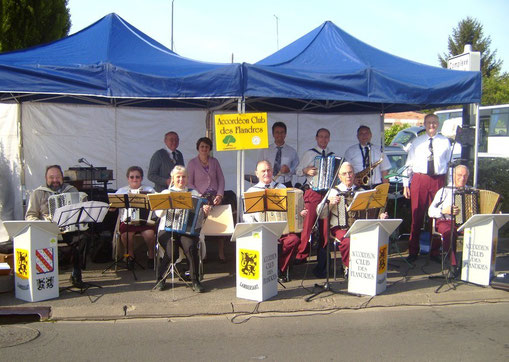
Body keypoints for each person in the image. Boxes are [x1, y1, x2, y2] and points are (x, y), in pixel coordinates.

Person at [318, 162, 388, 278]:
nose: (348, 176)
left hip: (359, 227)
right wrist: (329, 203)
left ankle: (367, 269)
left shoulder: (361, 191)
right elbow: (319, 213)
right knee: (349, 241)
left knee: (373, 237)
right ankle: (348, 267)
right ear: (339, 177)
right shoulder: (334, 191)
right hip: (340, 227)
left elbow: (374, 208)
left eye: (350, 173)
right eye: (344, 174)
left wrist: (380, 215)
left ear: (354, 174)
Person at [243, 160, 307, 282]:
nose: (266, 173)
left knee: (294, 240)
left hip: (282, 230)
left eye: (269, 170)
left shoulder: (282, 188)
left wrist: (299, 213)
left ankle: (280, 270)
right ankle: (269, 271)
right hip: (263, 230)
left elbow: (292, 209)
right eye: (263, 171)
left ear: (272, 171)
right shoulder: (251, 192)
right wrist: (256, 226)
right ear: (257, 173)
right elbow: (246, 215)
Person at [25, 165, 85, 287]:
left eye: (57, 177)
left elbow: (80, 211)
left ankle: (76, 273)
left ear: (62, 177)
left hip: (68, 230)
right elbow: (30, 215)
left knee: (83, 237)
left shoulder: (71, 190)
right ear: (46, 178)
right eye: (51, 177)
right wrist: (43, 223)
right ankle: (46, 277)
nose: (55, 180)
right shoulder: (38, 193)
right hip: (47, 231)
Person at [403, 114, 452, 263]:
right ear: (424, 124)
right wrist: (406, 184)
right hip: (420, 179)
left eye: (434, 123)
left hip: (438, 179)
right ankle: (413, 250)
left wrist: (449, 186)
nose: (432, 125)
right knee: (416, 215)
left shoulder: (445, 142)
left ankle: (435, 251)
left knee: (437, 216)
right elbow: (408, 164)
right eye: (429, 123)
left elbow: (450, 164)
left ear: (438, 124)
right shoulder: (417, 141)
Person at [155, 165, 211, 292]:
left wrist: (206, 212)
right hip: (167, 229)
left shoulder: (193, 193)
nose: (181, 179)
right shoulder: (166, 193)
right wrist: (166, 203)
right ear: (173, 179)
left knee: (191, 248)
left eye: (183, 177)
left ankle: (195, 281)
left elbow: (200, 217)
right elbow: (158, 215)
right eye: (178, 177)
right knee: (171, 251)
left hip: (187, 230)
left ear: (187, 178)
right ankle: (160, 279)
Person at [294, 128, 334, 264]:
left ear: (329, 139)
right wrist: (306, 170)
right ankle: (302, 255)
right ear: (316, 138)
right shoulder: (310, 153)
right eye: (321, 137)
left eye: (326, 137)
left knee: (324, 227)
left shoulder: (332, 155)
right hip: (312, 192)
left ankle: (322, 257)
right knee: (307, 225)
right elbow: (297, 171)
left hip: (326, 193)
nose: (323, 139)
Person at [187, 137, 227, 263]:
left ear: (210, 149)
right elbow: (189, 183)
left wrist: (220, 195)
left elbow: (221, 179)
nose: (204, 149)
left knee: (221, 225)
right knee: (201, 226)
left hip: (215, 197)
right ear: (198, 148)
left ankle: (221, 253)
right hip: (200, 198)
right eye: (202, 147)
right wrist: (199, 196)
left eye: (207, 147)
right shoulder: (192, 163)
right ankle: (202, 254)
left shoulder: (215, 162)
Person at [428, 164, 470, 278]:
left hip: (466, 223)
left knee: (478, 233)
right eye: (460, 175)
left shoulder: (471, 191)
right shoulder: (444, 191)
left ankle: (471, 266)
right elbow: (431, 211)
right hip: (446, 221)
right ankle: (453, 266)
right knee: (448, 234)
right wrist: (444, 210)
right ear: (454, 175)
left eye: (465, 176)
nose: (462, 178)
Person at [115, 166, 156, 270]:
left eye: (137, 177)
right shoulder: (121, 191)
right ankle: (130, 256)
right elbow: (112, 206)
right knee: (126, 235)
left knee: (150, 235)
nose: (134, 179)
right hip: (128, 222)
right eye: (131, 177)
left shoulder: (149, 190)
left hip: (145, 222)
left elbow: (156, 205)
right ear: (127, 178)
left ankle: (151, 255)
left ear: (141, 178)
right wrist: (112, 207)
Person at [258, 122, 299, 187]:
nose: (279, 135)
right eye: (277, 132)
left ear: (285, 134)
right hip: (268, 183)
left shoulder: (292, 151)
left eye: (282, 132)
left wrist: (289, 170)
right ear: (273, 134)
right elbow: (259, 167)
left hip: (286, 184)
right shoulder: (265, 150)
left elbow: (297, 169)